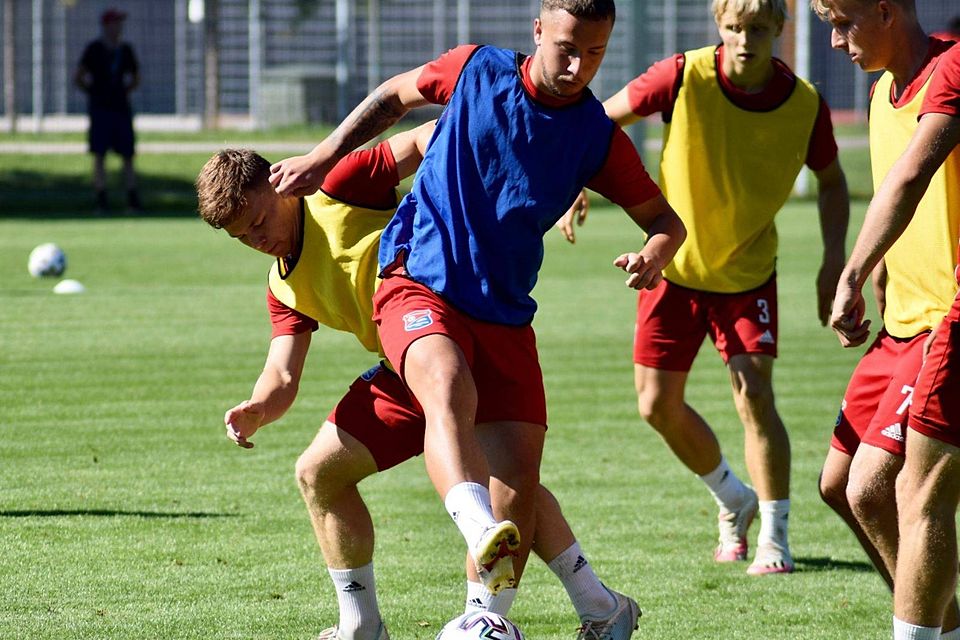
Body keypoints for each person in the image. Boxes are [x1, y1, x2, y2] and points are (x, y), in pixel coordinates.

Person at [269, 0, 685, 613]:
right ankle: (475, 527)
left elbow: (664, 221)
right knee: (445, 384)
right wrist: (323, 154)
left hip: (506, 314)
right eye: (566, 48)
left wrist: (656, 253)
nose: (577, 67)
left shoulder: (596, 136)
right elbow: (394, 96)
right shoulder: (476, 69)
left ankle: (512, 616)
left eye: (594, 54)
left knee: (517, 485)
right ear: (538, 30)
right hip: (418, 279)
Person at [196, 123, 645, 640]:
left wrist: (481, 183)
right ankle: (361, 624)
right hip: (403, 366)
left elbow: (427, 136)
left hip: (458, 322)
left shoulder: (336, 186)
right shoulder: (282, 286)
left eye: (259, 221)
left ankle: (506, 587)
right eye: (242, 237)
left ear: (276, 185)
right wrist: (257, 406)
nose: (258, 239)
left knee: (505, 480)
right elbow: (282, 371)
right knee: (319, 473)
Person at [557, 0, 848, 575]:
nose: (746, 40)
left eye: (759, 29)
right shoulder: (681, 74)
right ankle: (731, 497)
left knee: (755, 394)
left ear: (780, 32)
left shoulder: (805, 104)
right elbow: (598, 121)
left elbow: (833, 181)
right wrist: (576, 182)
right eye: (735, 28)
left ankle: (775, 537)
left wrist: (834, 258)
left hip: (746, 274)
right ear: (720, 27)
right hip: (672, 268)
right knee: (656, 405)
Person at [810, 0, 960, 633]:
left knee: (891, 488)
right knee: (840, 483)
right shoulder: (880, 95)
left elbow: (909, 179)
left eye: (846, 24)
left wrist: (849, 269)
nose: (839, 41)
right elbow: (895, 197)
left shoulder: (951, 70)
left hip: (946, 317)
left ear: (887, 10)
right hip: (903, 317)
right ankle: (942, 622)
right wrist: (879, 276)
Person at [74, 7, 142, 214]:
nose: (119, 26)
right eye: (115, 22)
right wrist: (93, 92)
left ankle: (132, 200)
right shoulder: (94, 49)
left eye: (120, 22)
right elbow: (79, 76)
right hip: (100, 110)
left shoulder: (125, 49)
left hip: (121, 109)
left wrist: (125, 92)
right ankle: (101, 200)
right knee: (99, 155)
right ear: (106, 25)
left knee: (128, 155)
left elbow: (136, 76)